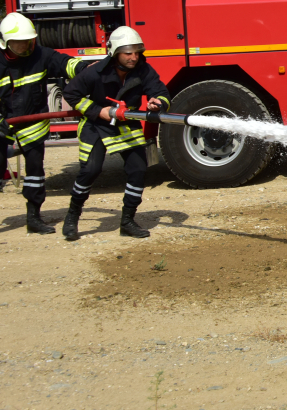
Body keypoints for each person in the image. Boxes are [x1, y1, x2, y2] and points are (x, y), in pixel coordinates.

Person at [60, 26, 170, 240]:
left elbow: (161, 92)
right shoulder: (94, 72)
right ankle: (72, 217)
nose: (133, 57)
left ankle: (127, 221)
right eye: (128, 53)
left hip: (126, 124)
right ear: (115, 52)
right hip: (96, 125)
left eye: (137, 52)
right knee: (90, 170)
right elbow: (71, 94)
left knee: (138, 169)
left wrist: (158, 102)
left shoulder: (144, 70)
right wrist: (97, 111)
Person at [0, 13, 88, 234]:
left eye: (28, 40)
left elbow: (65, 63)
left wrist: (85, 69)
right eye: (18, 42)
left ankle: (34, 218)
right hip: (3, 125)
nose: (24, 45)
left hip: (32, 124)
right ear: (5, 42)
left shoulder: (40, 55)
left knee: (35, 173)